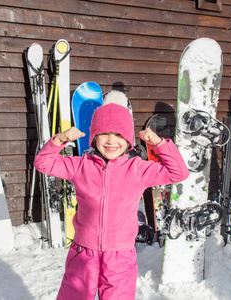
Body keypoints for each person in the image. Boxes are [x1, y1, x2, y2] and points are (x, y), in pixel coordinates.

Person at [34, 103, 189, 300]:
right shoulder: (81, 166)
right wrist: (60, 140)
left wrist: (160, 144)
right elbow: (43, 163)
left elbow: (179, 172)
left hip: (120, 256)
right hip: (83, 253)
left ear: (128, 141)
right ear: (94, 137)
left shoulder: (137, 169)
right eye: (104, 133)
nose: (111, 141)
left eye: (118, 135)